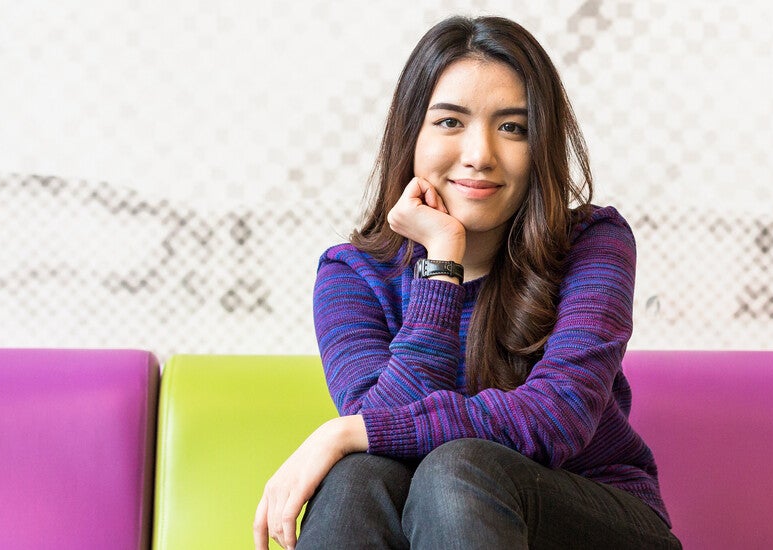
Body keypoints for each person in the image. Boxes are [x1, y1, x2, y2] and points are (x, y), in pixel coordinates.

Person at [252, 15, 681, 550]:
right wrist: (441, 263)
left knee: (457, 471)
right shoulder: (352, 276)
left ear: (540, 144)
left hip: (596, 520)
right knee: (357, 477)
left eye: (512, 127)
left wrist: (344, 431)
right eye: (450, 122)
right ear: (411, 134)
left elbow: (557, 417)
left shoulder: (593, 243)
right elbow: (384, 431)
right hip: (433, 524)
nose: (480, 154)